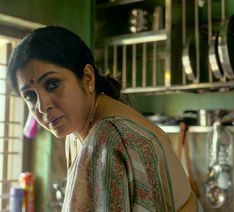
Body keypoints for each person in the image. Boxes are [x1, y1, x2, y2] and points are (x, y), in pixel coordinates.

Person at [7, 26, 203, 212]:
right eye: (30, 96)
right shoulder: (78, 132)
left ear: (88, 78)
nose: (42, 106)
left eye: (52, 84)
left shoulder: (108, 136)